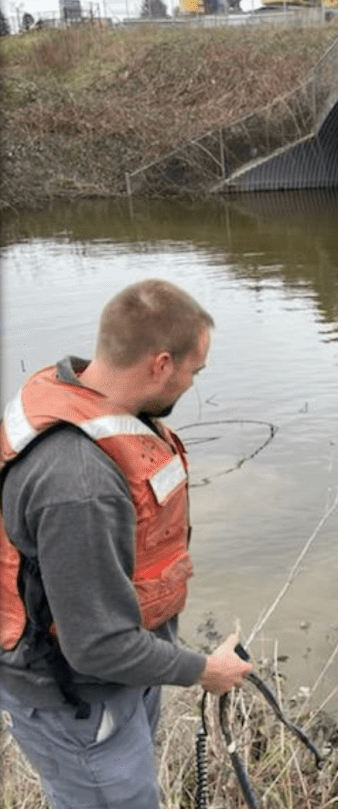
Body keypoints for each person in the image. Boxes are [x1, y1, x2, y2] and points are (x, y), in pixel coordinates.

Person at [0, 279, 253, 809]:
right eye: (193, 371)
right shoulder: (79, 484)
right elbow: (96, 645)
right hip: (76, 697)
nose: (193, 383)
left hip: (118, 675)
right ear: (160, 364)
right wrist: (204, 671)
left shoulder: (86, 394)